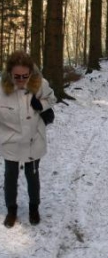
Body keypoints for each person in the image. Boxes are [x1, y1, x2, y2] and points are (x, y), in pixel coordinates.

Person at [0, 50, 56, 228]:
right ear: (10, 74)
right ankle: (11, 210)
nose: (22, 80)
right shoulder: (1, 89)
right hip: (10, 141)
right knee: (10, 175)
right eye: (17, 76)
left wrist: (42, 104)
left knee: (32, 175)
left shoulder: (40, 84)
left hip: (34, 139)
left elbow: (52, 98)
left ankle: (34, 208)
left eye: (25, 75)